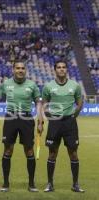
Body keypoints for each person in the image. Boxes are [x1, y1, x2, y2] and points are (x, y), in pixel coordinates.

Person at [0, 60, 43, 192]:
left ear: (25, 70)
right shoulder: (6, 84)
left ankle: (32, 184)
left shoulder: (32, 85)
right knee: (8, 150)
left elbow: (39, 104)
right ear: (13, 70)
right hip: (10, 118)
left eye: (22, 68)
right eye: (18, 68)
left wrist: (40, 122)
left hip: (27, 118)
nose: (20, 70)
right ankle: (5, 183)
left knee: (29, 150)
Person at [42, 60, 84, 193]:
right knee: (52, 153)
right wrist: (50, 117)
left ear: (67, 69)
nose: (61, 69)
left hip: (69, 123)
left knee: (73, 153)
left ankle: (75, 184)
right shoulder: (48, 86)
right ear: (55, 70)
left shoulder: (75, 85)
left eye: (64, 67)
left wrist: (73, 116)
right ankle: (50, 184)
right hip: (55, 122)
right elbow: (44, 104)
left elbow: (79, 103)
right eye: (59, 67)